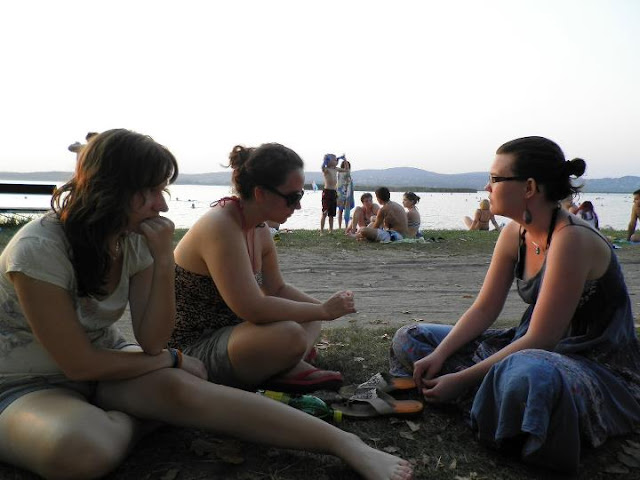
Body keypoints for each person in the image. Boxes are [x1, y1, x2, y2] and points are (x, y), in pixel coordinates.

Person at [0, 130, 413, 480]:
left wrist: (163, 259)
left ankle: (344, 443)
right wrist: (173, 361)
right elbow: (79, 365)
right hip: (27, 385)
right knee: (80, 450)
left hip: (112, 367)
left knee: (195, 396)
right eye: (152, 191)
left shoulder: (134, 239)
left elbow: (151, 340)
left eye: (163, 191)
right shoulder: (39, 249)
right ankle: (144, 415)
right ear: (112, 189)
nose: (163, 206)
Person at [389, 136, 640, 473]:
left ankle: (490, 399)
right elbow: (484, 309)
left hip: (590, 363)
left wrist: (461, 378)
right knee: (412, 337)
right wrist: (440, 354)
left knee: (528, 374)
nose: (487, 187)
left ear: (529, 187)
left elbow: (542, 339)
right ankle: (496, 399)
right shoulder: (514, 233)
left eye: (495, 178)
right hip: (526, 349)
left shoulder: (571, 239)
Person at [169, 144, 352, 394]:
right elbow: (253, 308)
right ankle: (284, 367)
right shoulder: (221, 226)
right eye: (292, 198)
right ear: (260, 193)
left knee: (310, 319)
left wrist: (319, 311)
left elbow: (277, 288)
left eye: (300, 196)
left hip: (235, 334)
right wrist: (323, 310)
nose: (298, 207)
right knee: (292, 332)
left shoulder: (259, 228)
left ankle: (283, 366)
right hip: (192, 350)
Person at [320, 154, 347, 234]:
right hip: (327, 192)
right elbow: (322, 168)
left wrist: (344, 160)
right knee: (325, 212)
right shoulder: (326, 169)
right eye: (335, 160)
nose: (336, 161)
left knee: (331, 214)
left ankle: (331, 230)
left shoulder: (336, 169)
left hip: (334, 192)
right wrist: (325, 161)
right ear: (329, 161)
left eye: (336, 160)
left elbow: (346, 170)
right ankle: (321, 230)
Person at [336, 156, 355, 230]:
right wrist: (342, 159)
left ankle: (345, 226)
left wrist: (342, 159)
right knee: (341, 210)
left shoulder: (345, 173)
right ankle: (342, 226)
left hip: (346, 193)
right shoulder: (341, 172)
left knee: (344, 210)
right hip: (341, 193)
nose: (347, 167)